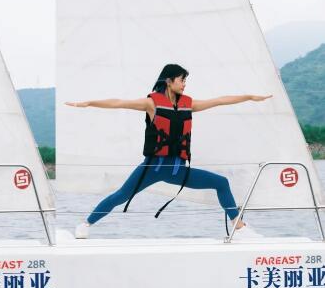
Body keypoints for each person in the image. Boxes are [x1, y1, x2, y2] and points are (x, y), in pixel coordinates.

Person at [66, 64, 272, 238]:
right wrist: (89, 103)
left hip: (177, 171)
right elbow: (119, 103)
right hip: (152, 168)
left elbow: (219, 100)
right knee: (120, 196)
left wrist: (249, 97)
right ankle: (85, 224)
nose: (184, 84)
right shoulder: (151, 103)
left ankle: (239, 228)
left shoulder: (189, 104)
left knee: (221, 183)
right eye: (181, 80)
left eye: (185, 81)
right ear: (169, 81)